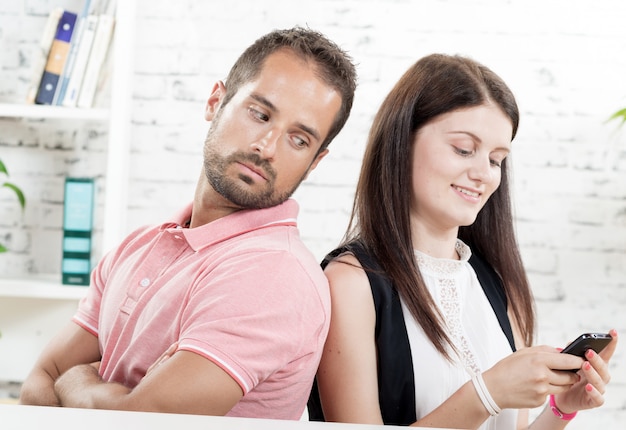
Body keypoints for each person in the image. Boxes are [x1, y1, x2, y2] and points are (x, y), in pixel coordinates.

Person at [19, 26, 357, 420]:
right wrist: (103, 395)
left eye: (299, 140)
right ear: (216, 101)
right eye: (260, 114)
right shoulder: (139, 246)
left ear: (315, 161)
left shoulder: (274, 272)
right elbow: (39, 382)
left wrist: (77, 380)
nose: (266, 147)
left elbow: (144, 420)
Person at [308, 53, 617, 429]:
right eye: (463, 149)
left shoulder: (498, 284)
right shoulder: (350, 284)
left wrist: (560, 410)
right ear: (401, 142)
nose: (483, 174)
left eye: (496, 159)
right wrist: (488, 392)